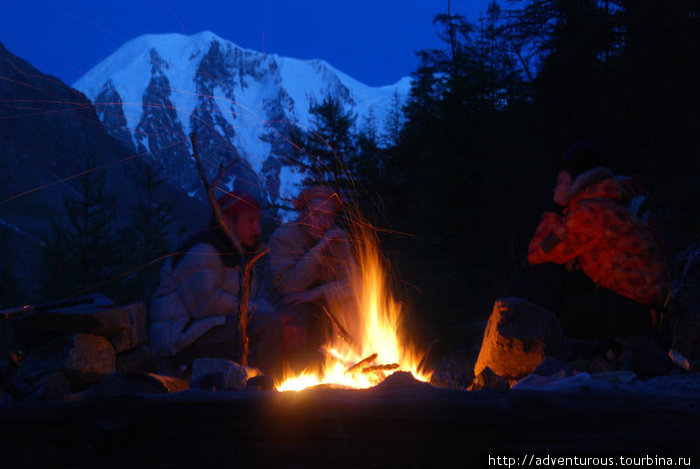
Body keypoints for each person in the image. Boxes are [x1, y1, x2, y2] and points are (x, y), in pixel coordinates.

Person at [521, 142, 671, 343]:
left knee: (540, 279)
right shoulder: (609, 200)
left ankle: (534, 350)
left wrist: (555, 209)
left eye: (562, 181)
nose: (556, 187)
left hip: (637, 311)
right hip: (645, 306)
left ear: (577, 182)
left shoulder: (588, 213)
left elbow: (536, 254)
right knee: (558, 277)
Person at [150, 191, 281, 373]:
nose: (257, 230)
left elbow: (249, 302)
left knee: (284, 326)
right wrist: (257, 311)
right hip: (180, 342)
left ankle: (267, 386)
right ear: (227, 221)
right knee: (268, 326)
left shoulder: (240, 256)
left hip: (207, 330)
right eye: (250, 221)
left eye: (258, 222)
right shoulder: (203, 250)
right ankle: (264, 392)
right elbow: (205, 304)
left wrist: (276, 316)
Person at [261, 185, 357, 371]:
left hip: (319, 303)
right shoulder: (284, 237)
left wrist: (317, 293)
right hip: (281, 305)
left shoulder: (337, 239)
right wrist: (320, 248)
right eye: (316, 214)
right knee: (298, 313)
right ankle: (294, 376)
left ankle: (350, 367)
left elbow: (355, 283)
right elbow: (290, 287)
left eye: (327, 216)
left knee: (352, 305)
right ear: (303, 213)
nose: (322, 222)